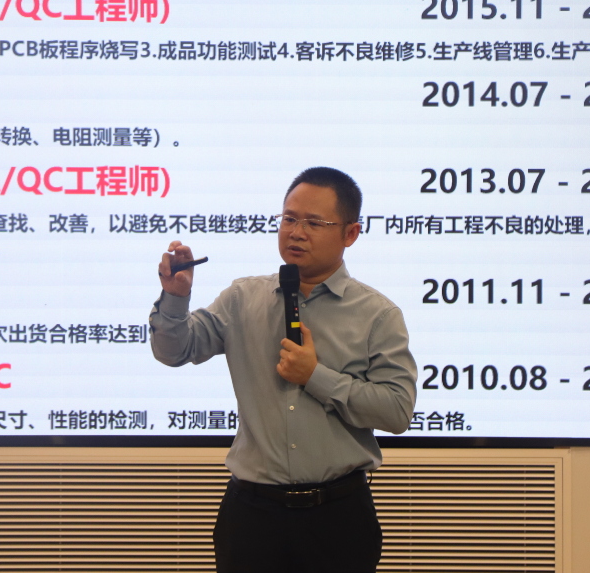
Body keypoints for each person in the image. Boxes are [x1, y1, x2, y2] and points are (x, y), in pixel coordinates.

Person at [149, 166, 417, 573]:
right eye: (289, 219)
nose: (296, 232)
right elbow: (174, 350)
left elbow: (396, 411)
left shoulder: (377, 314)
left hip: (338, 517)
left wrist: (316, 376)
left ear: (350, 234)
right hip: (252, 516)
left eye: (314, 223)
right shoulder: (242, 298)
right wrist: (175, 298)